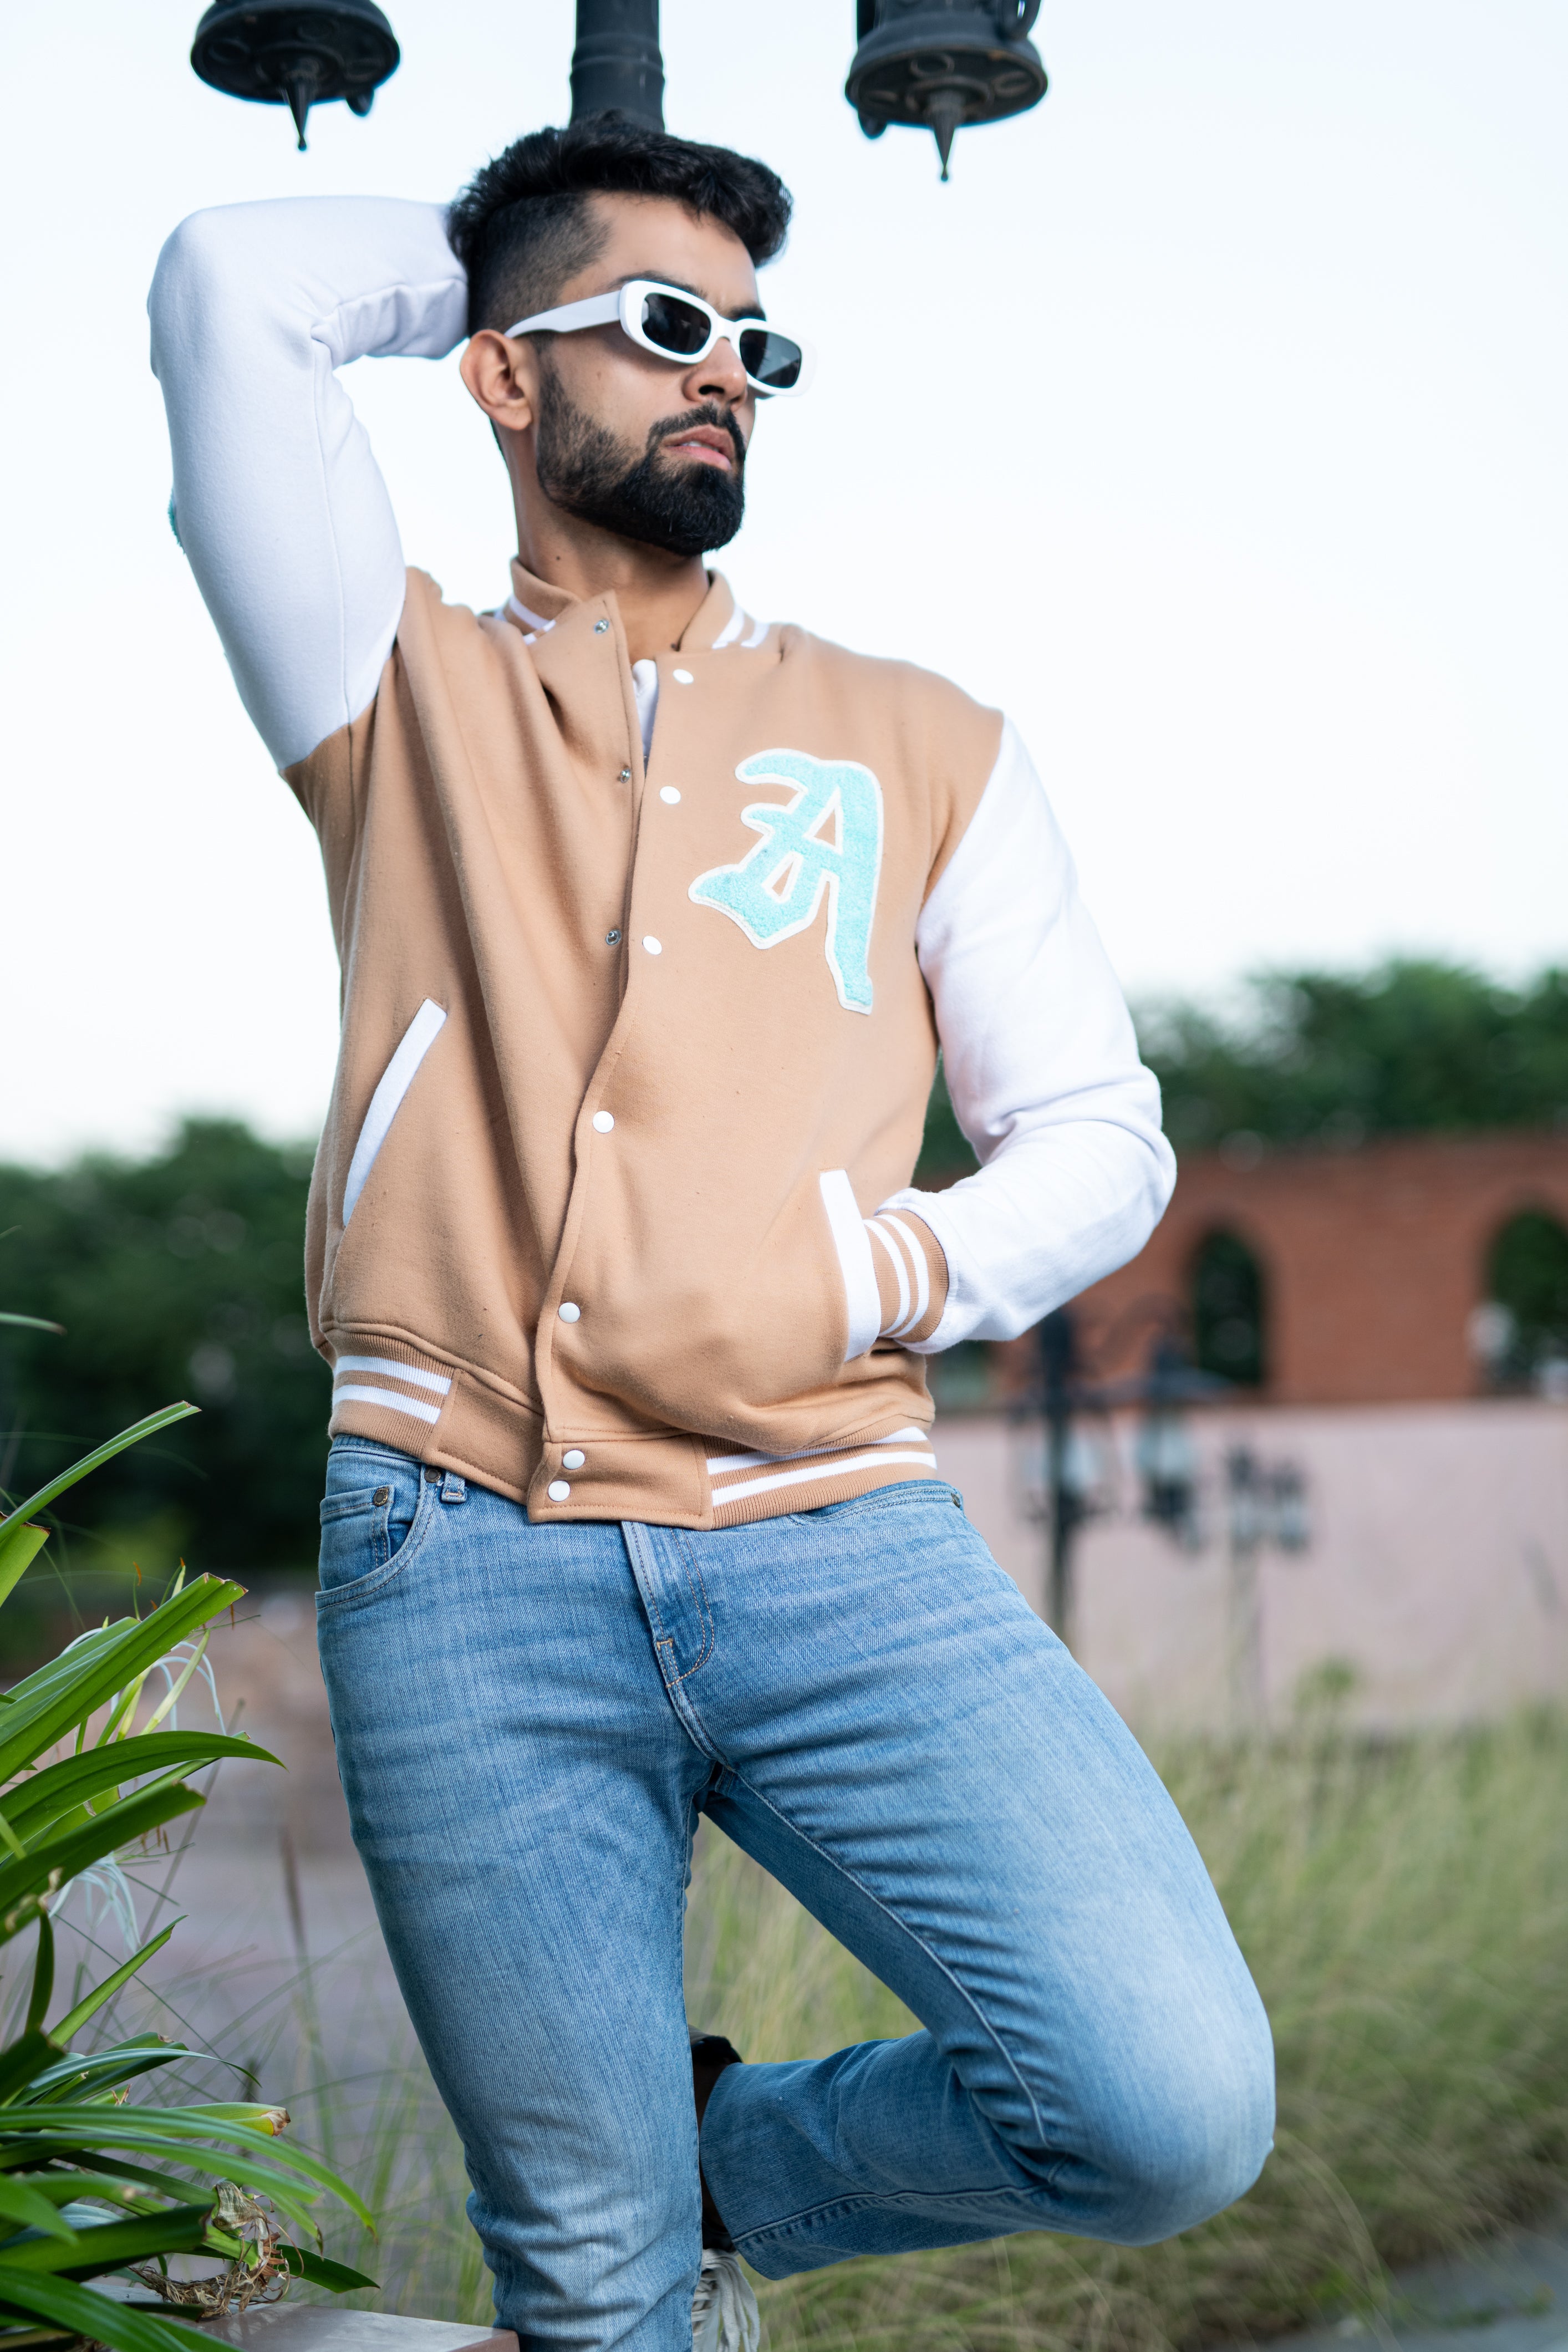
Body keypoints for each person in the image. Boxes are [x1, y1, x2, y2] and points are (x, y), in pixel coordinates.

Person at [149, 113, 1274, 2352]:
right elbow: (227, 282)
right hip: (458, 1550)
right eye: (664, 324)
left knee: (1163, 2106)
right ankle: (628, 2241)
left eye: (756, 342)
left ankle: (722, 2167)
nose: (722, 373)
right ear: (500, 372)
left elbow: (1096, 1136)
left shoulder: (921, 739)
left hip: (837, 1529)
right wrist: (503, 252)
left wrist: (862, 1276)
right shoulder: (388, 683)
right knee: (591, 2285)